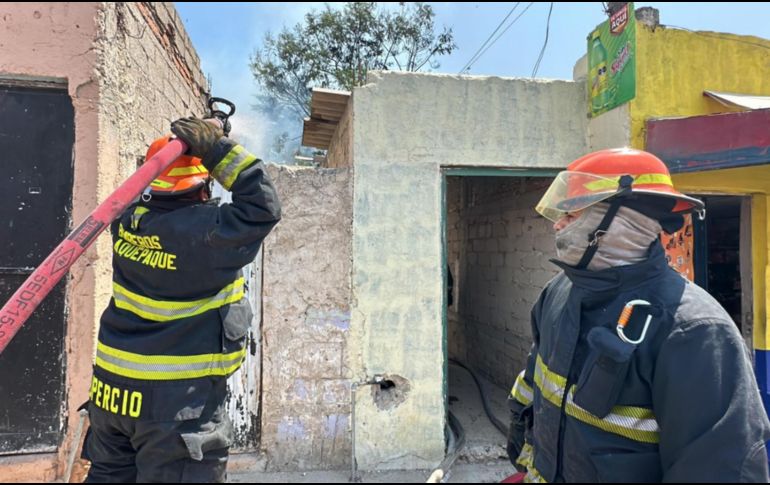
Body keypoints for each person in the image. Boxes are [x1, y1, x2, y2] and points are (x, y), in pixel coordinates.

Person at [507, 148, 770, 482]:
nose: (558, 225)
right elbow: (533, 385)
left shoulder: (694, 330)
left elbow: (720, 469)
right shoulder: (559, 292)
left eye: (572, 215)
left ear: (622, 224)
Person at [81, 116, 281, 482]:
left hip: (111, 396)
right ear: (203, 187)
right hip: (174, 408)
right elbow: (263, 207)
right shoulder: (207, 233)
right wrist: (218, 150)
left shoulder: (125, 221)